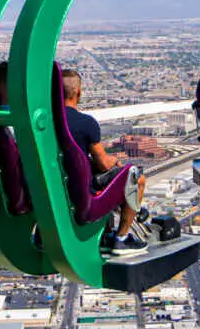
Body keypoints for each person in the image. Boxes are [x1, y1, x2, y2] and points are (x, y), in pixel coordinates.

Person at [61, 68, 148, 255]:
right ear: (78, 92)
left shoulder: (47, 123)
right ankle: (121, 238)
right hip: (82, 196)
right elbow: (103, 164)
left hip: (59, 188)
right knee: (136, 178)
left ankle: (106, 232)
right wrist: (114, 160)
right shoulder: (86, 123)